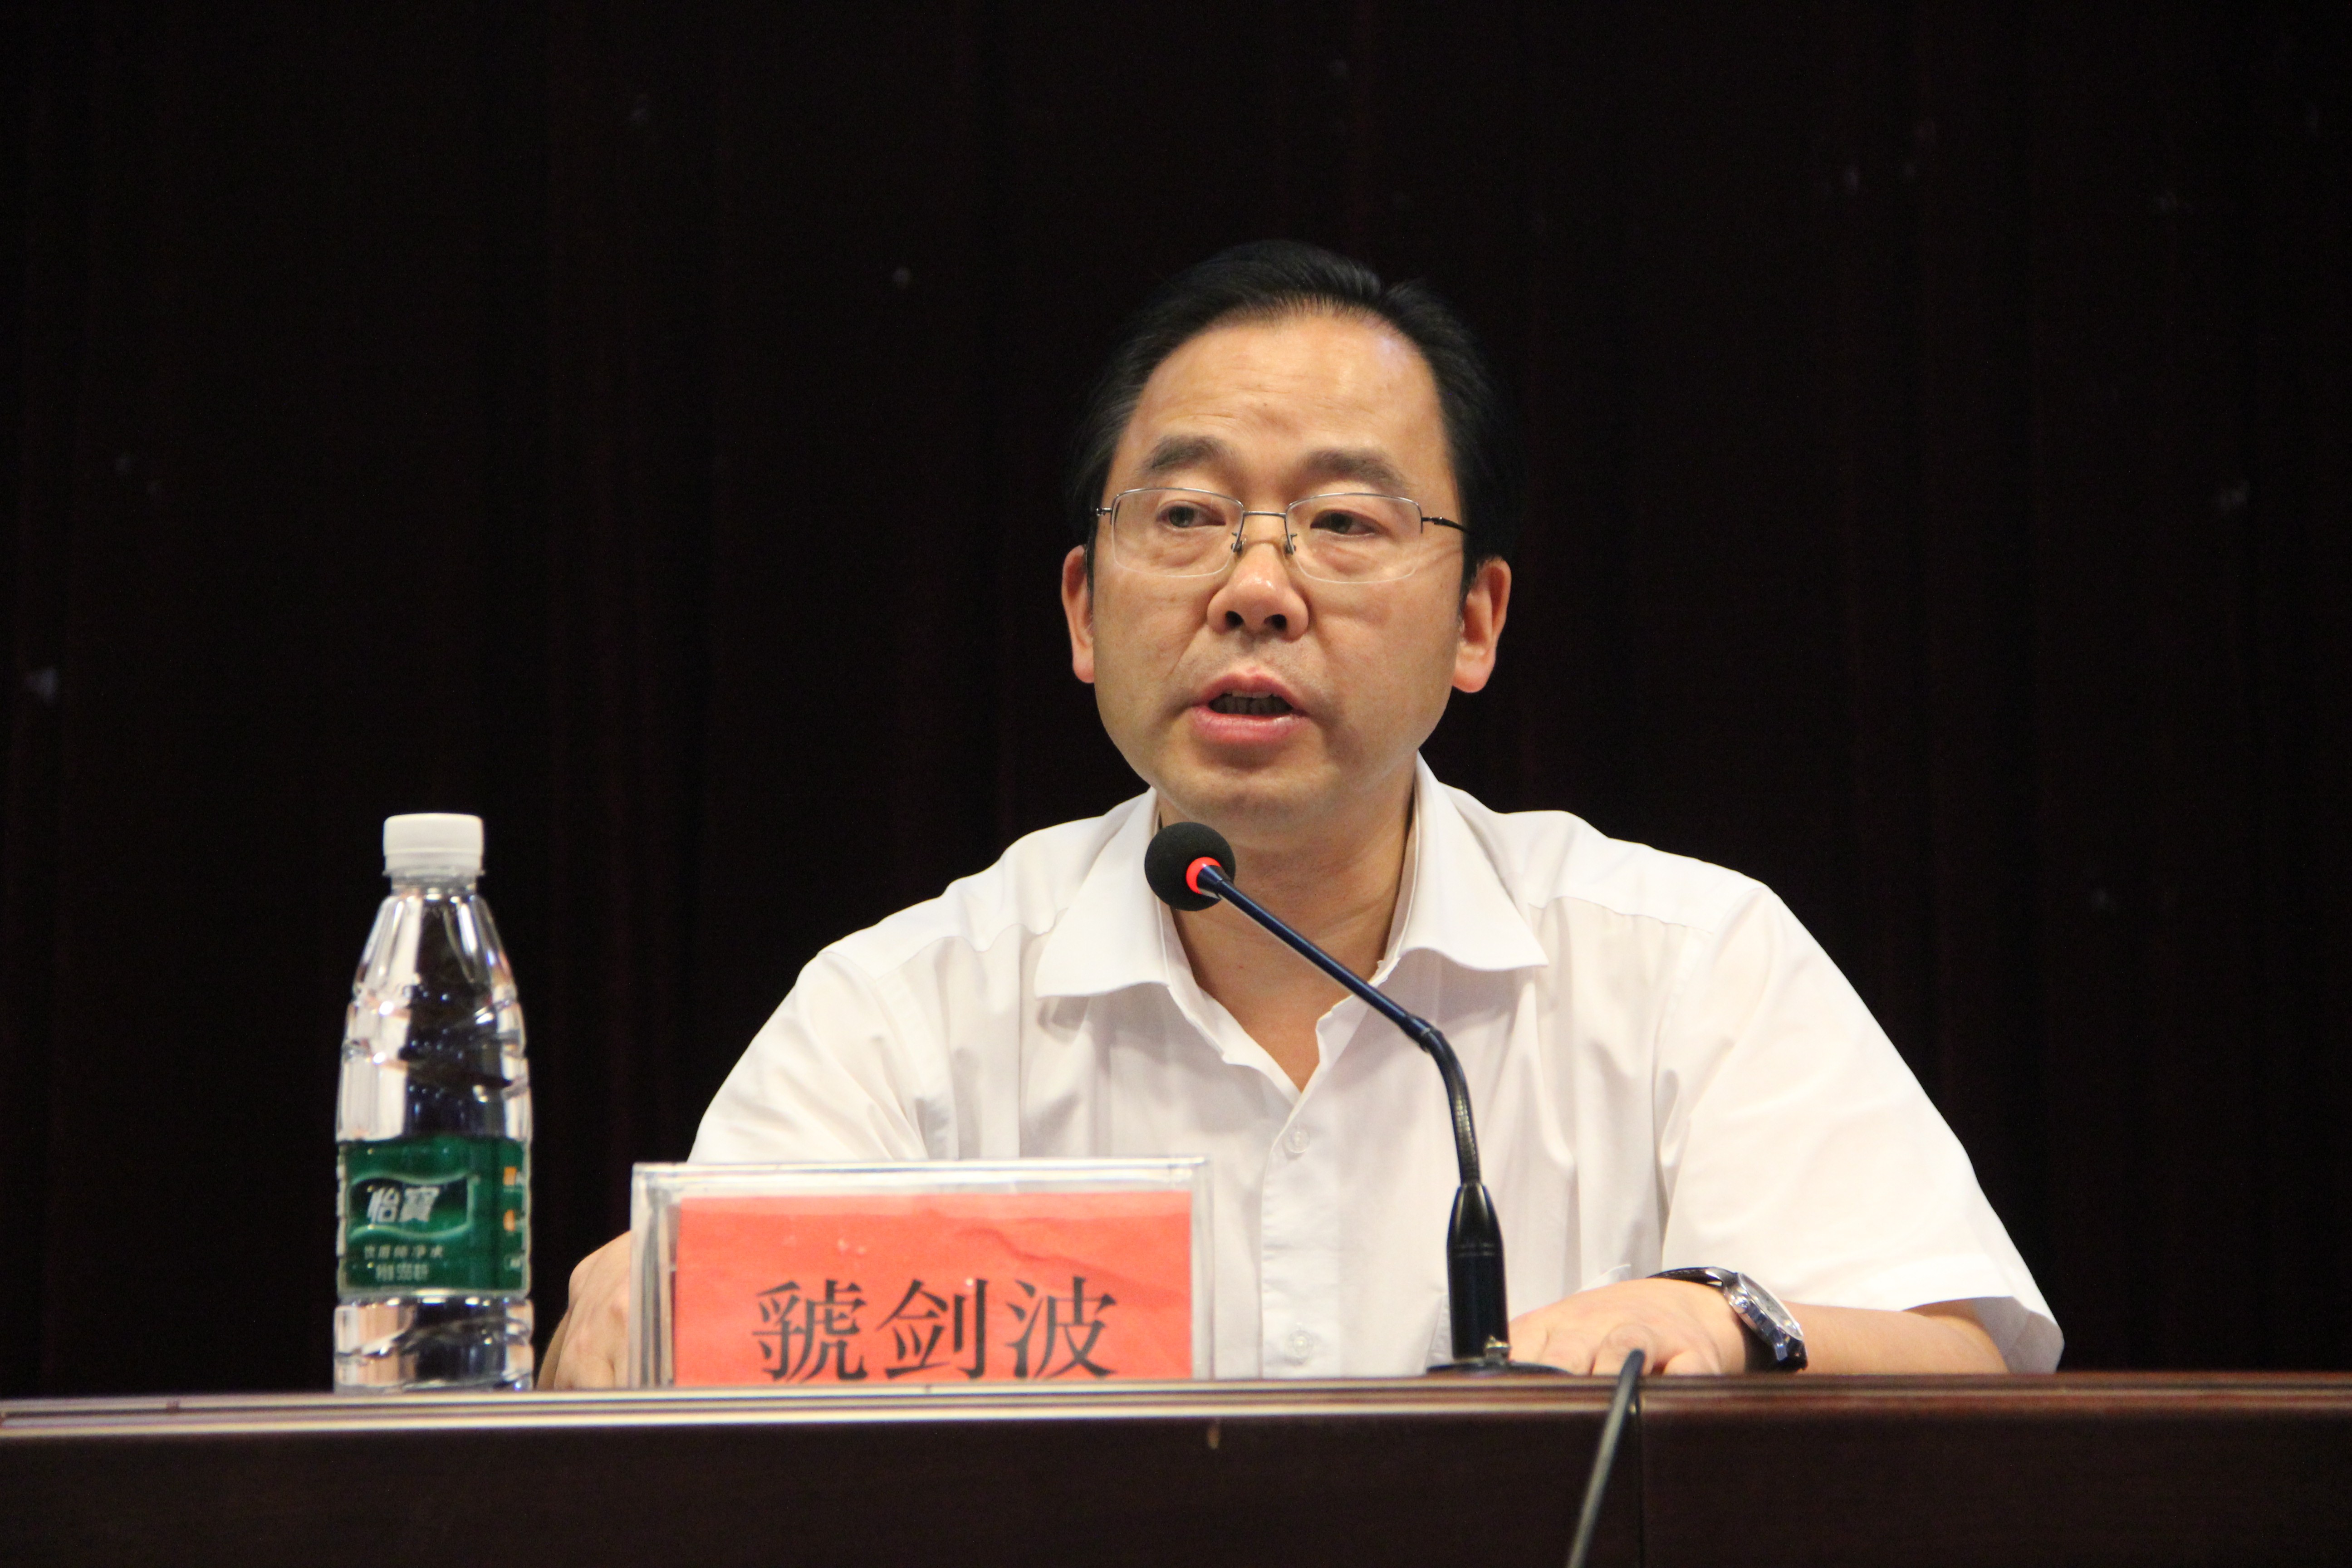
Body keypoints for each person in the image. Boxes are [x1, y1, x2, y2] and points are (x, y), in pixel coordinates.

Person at [540, 241, 2057, 1387]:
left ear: (1476, 622)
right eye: (1187, 517)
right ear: (1084, 611)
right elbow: (677, 1363)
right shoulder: (906, 1014)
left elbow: (1960, 1351)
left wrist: (1721, 1317)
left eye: (1342, 523)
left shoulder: (1684, 961)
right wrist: (623, 1330)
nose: (1256, 588)